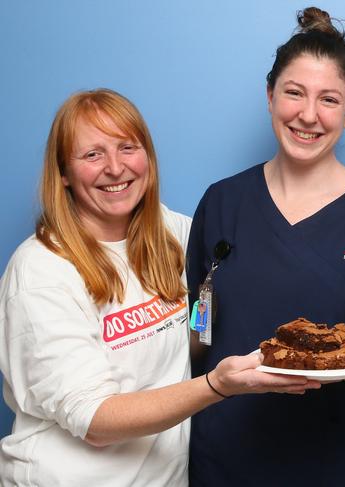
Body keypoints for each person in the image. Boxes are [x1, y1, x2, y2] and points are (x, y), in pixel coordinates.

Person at [0, 88, 317, 486]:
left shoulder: (175, 235)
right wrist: (216, 385)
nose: (115, 168)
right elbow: (95, 420)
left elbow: (204, 325)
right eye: (92, 155)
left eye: (127, 147)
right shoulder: (41, 271)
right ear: (63, 172)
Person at [186, 7, 345, 486]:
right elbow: (200, 324)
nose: (308, 115)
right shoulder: (222, 202)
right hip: (225, 455)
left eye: (329, 99)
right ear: (270, 94)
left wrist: (328, 369)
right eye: (294, 93)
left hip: (336, 459)